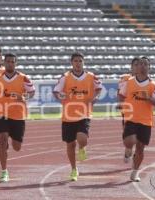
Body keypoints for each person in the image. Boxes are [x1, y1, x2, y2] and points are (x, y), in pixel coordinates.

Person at [0, 53, 35, 182]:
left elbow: (32, 92)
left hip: (18, 116)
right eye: (8, 61)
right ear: (4, 63)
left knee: (17, 147)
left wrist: (24, 98)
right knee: (2, 139)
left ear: (16, 63)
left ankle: (11, 138)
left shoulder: (23, 78)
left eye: (12, 62)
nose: (10, 64)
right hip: (1, 114)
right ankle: (4, 171)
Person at [53, 52, 102, 181]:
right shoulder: (65, 77)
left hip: (84, 113)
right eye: (76, 61)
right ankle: (74, 169)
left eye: (80, 61)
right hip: (68, 115)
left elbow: (99, 88)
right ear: (71, 63)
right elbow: (56, 91)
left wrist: (94, 98)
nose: (78, 63)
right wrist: (60, 96)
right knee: (70, 145)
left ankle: (82, 147)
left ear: (83, 62)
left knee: (82, 138)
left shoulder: (91, 76)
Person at [118, 57, 155, 182]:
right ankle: (127, 151)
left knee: (140, 148)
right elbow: (121, 95)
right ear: (136, 67)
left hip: (146, 120)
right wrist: (122, 105)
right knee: (129, 142)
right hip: (131, 118)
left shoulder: (153, 85)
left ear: (149, 67)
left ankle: (135, 172)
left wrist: (148, 98)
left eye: (145, 64)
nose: (142, 66)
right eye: (140, 64)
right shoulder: (129, 82)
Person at [117, 57, 140, 163]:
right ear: (131, 67)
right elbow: (120, 94)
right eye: (135, 65)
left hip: (141, 113)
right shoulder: (125, 79)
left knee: (140, 138)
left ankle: (137, 156)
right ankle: (128, 149)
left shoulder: (146, 80)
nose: (138, 67)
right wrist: (121, 104)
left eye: (140, 65)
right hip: (128, 113)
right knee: (129, 137)